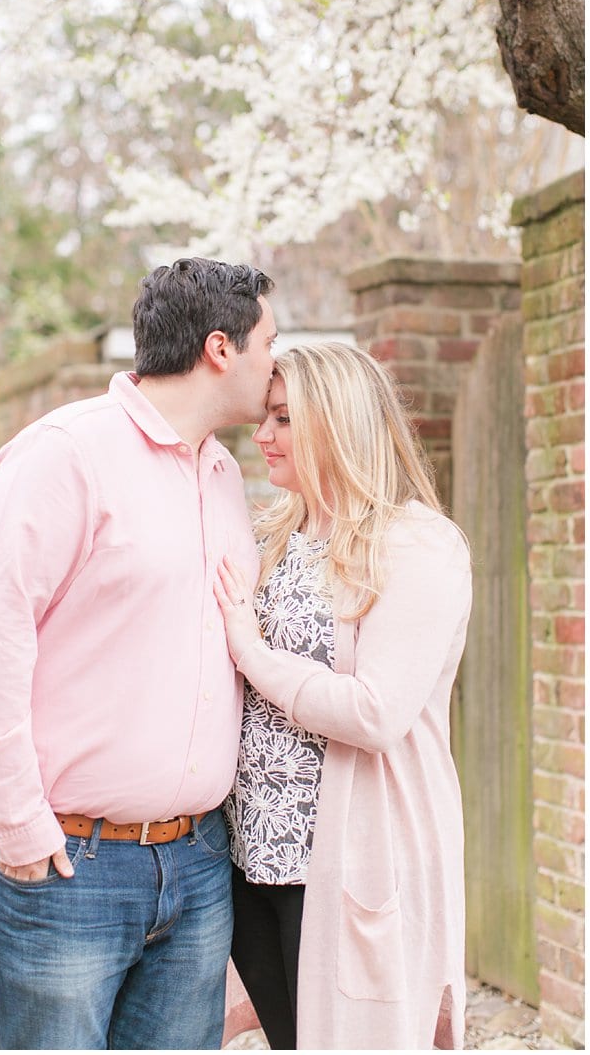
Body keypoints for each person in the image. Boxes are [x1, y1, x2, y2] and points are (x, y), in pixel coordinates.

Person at [0, 257, 278, 1049]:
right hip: (69, 866)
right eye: (270, 341)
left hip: (197, 865)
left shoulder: (224, 475)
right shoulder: (65, 454)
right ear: (219, 348)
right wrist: (18, 826)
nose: (275, 363)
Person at [212, 342, 469, 1049]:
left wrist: (251, 652)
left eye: (284, 418)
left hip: (349, 857)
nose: (262, 435)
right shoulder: (274, 532)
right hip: (252, 855)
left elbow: (374, 711)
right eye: (265, 417)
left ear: (339, 422)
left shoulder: (416, 546)